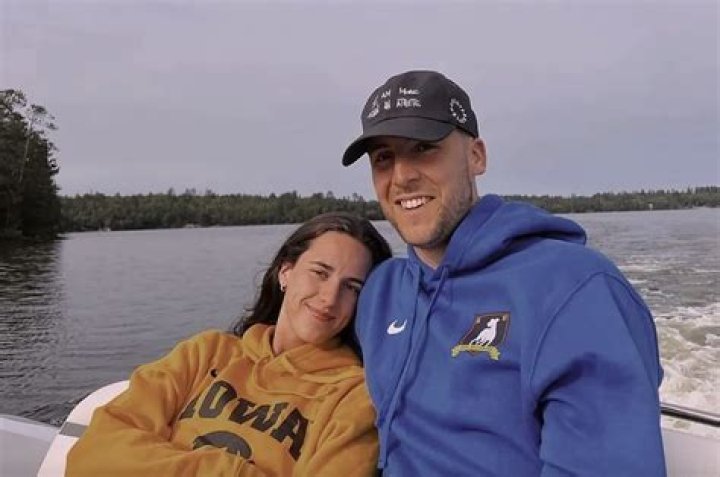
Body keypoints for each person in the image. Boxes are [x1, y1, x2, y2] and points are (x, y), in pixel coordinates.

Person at [342, 70, 666, 475]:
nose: (402, 176)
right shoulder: (381, 291)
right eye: (383, 158)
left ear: (476, 156)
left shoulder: (574, 290)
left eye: (424, 148)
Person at [66, 212, 393, 476]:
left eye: (352, 287)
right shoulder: (205, 353)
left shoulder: (353, 396)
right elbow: (94, 454)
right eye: (320, 272)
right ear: (286, 272)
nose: (330, 298)